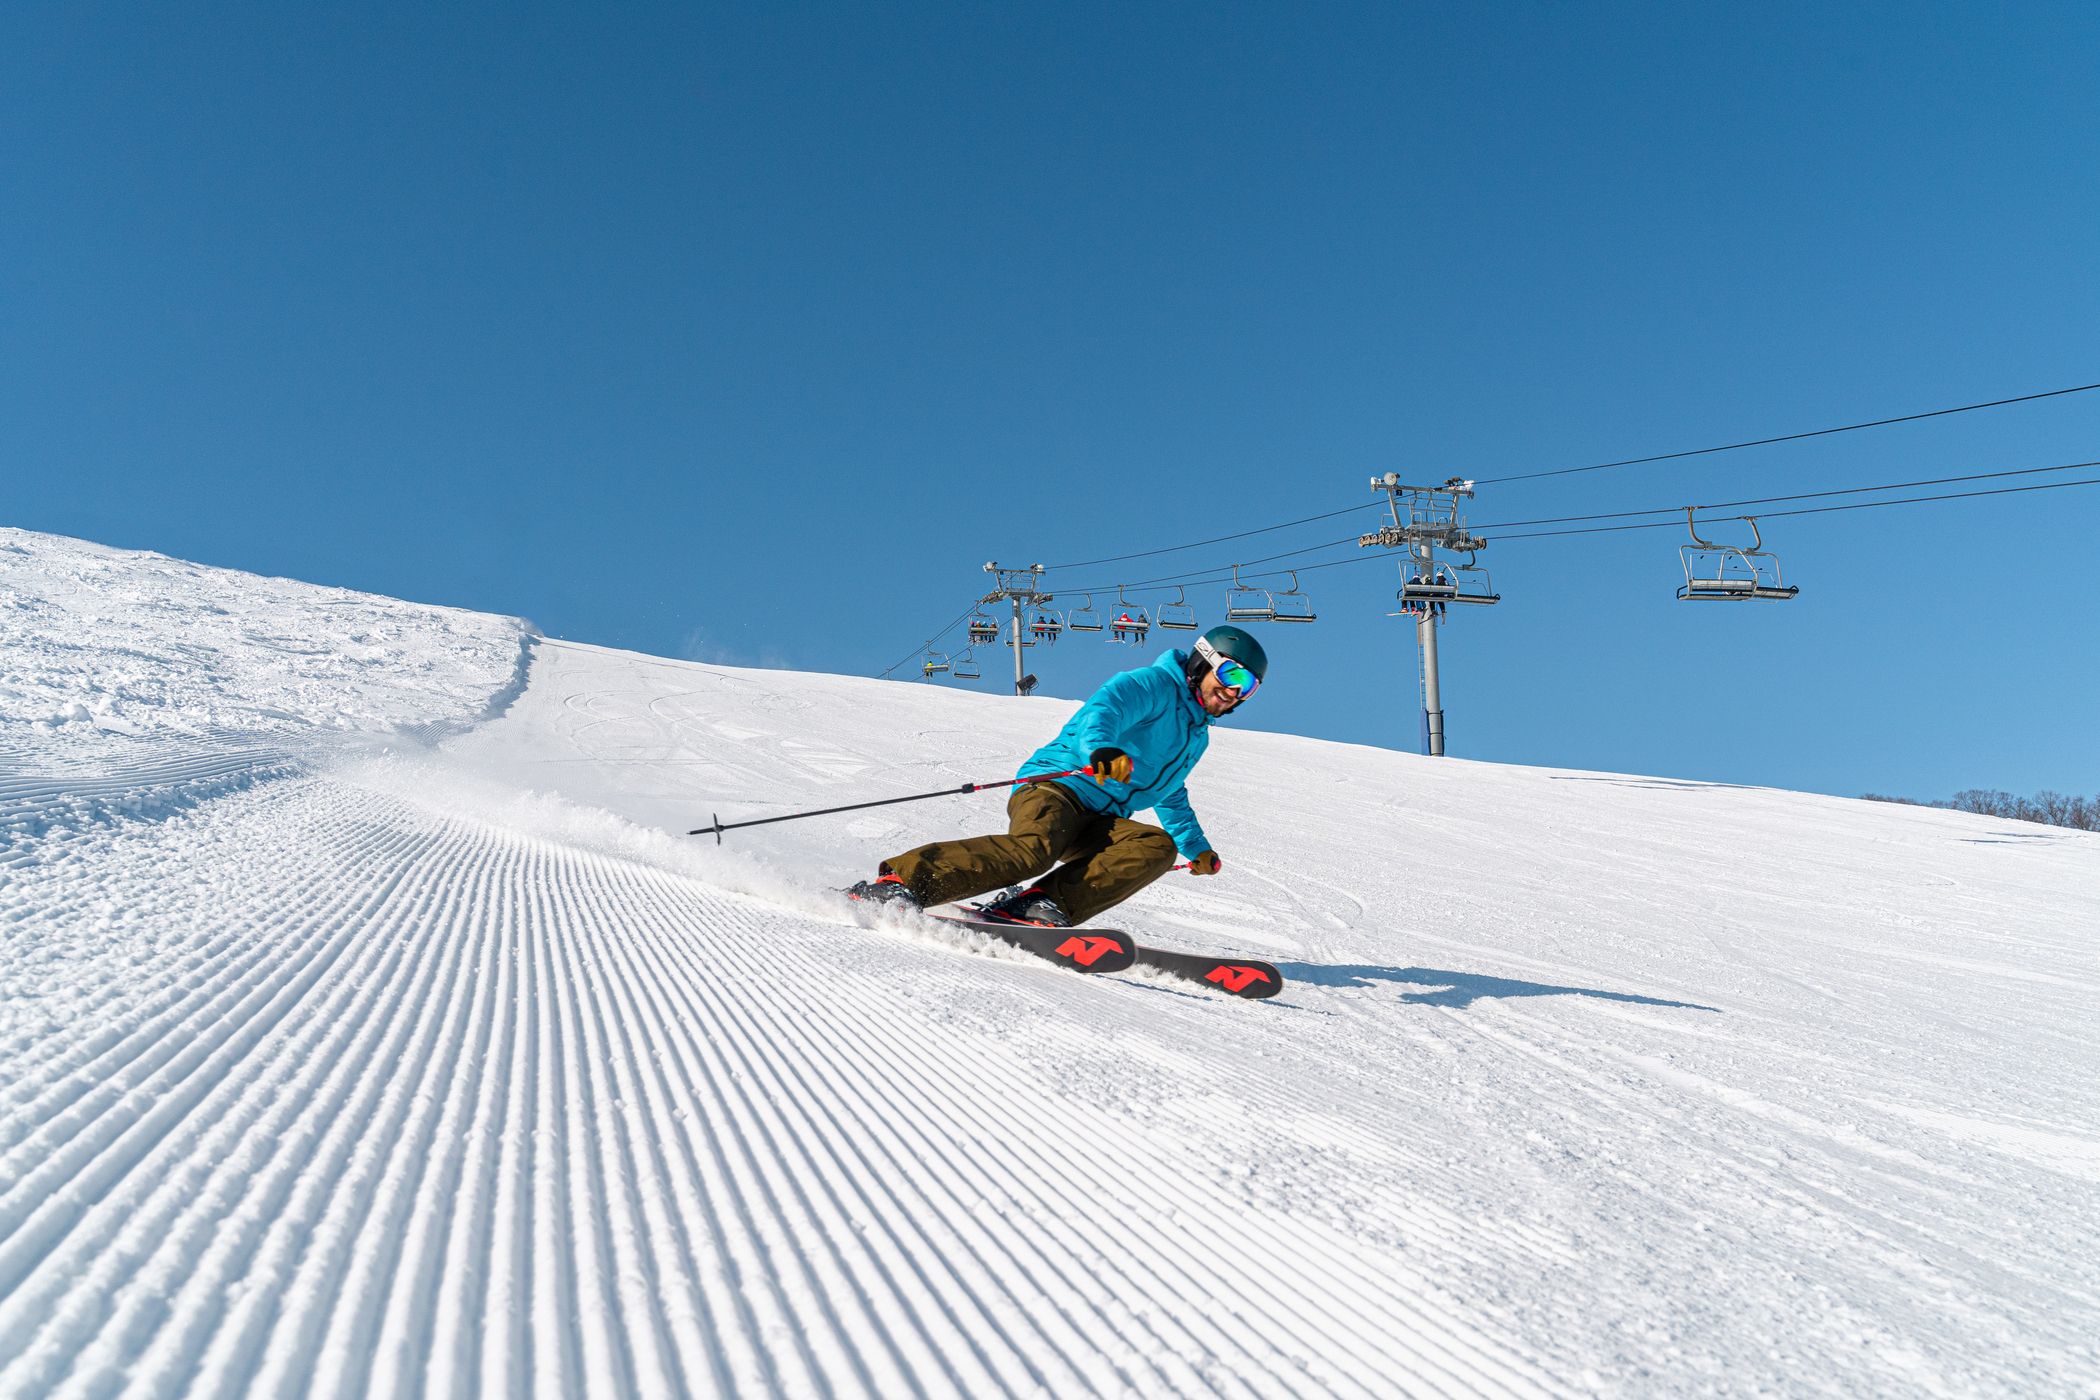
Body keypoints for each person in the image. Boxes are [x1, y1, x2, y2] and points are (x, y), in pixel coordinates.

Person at [847, 626, 1269, 927]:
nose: (1235, 691)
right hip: (1057, 787)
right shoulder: (1155, 685)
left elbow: (1171, 793)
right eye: (1231, 674)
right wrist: (1101, 750)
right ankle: (899, 881)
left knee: (1156, 846)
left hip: (1099, 816)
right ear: (1202, 663)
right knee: (1034, 851)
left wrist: (1195, 848)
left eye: (1248, 687)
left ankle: (1037, 904)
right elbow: (1104, 711)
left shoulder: (1195, 736)